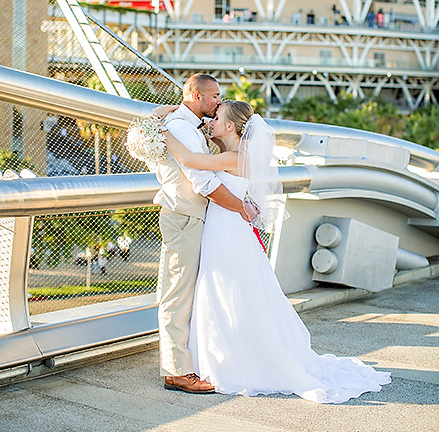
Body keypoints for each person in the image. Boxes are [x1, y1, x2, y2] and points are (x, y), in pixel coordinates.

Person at [154, 100, 391, 403]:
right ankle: (215, 357)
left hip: (226, 231)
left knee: (226, 292)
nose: (210, 121)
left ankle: (231, 360)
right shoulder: (233, 153)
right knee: (221, 292)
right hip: (225, 229)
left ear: (230, 126)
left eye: (216, 118)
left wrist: (158, 130)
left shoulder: (236, 156)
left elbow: (189, 159)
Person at [149, 73, 254, 395]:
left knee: (191, 293)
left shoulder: (185, 124)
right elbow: (202, 181)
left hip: (195, 218)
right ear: (196, 96)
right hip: (185, 216)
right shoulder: (181, 128)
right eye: (215, 97)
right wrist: (241, 208)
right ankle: (177, 371)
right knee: (177, 294)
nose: (219, 102)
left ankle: (190, 361)